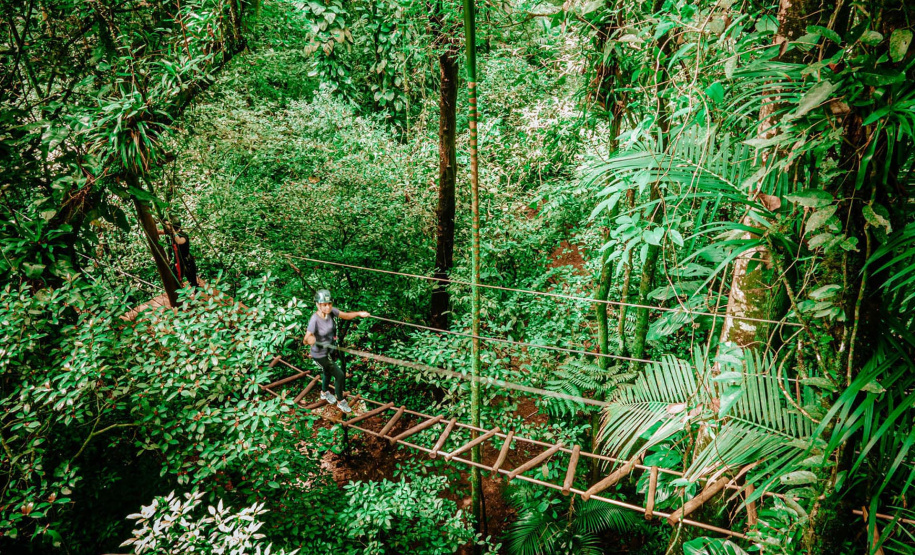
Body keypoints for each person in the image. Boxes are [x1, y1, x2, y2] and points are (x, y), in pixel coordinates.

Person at [303, 289, 370, 413]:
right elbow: (305, 339)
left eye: (329, 304)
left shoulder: (331, 312)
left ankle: (324, 392)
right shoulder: (314, 320)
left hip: (329, 350)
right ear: (318, 304)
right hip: (319, 354)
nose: (328, 307)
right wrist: (310, 339)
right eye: (324, 304)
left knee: (327, 372)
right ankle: (340, 401)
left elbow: (346, 315)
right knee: (339, 375)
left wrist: (359, 313)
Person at [157, 218, 199, 289]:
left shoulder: (183, 235)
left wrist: (172, 230)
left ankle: (196, 292)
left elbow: (179, 241)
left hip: (186, 260)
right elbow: (158, 232)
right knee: (176, 277)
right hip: (178, 259)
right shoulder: (171, 233)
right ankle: (180, 293)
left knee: (192, 279)